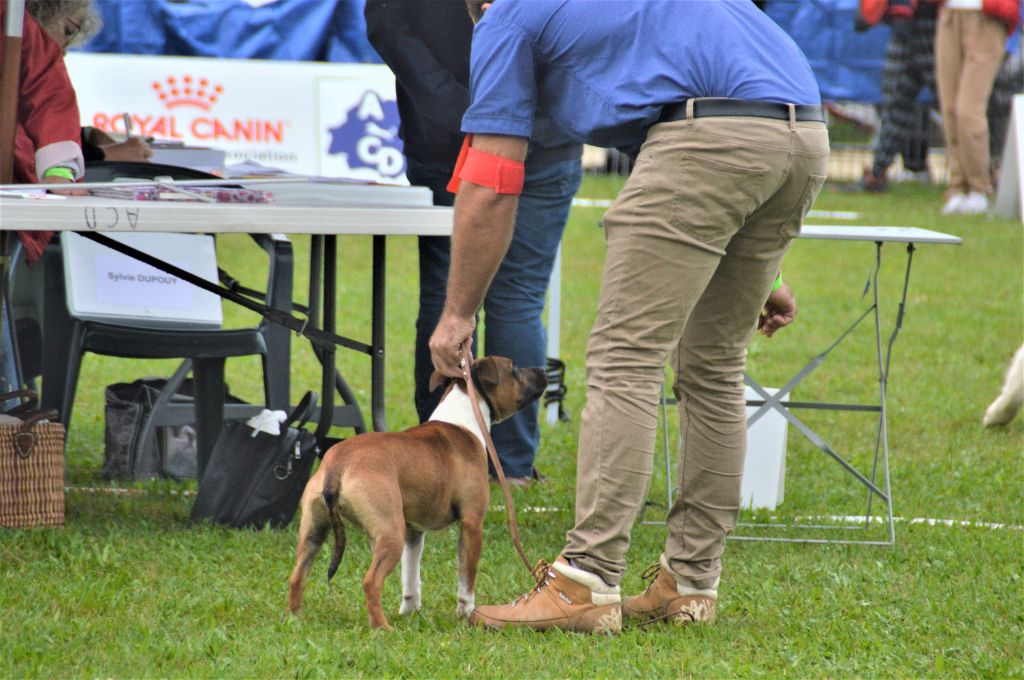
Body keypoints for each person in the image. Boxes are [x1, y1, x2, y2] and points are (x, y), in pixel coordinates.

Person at [429, 0, 825, 634]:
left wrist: (456, 315)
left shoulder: (506, 15)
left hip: (709, 137)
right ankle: (692, 584)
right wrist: (767, 276)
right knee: (716, 366)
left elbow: (494, 177)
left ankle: (584, 583)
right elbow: (736, 104)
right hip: (804, 130)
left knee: (624, 361)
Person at [364, 0, 582, 485]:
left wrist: (451, 104)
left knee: (449, 298)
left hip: (450, 139)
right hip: (538, 135)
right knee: (518, 302)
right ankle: (513, 467)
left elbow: (386, 21)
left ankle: (442, 458)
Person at [24, 0, 152, 164]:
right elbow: (21, 150)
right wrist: (105, 155)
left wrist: (86, 136)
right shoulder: (15, 70)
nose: (64, 51)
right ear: (39, 13)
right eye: (68, 31)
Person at [934, 0, 1018, 215]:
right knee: (950, 109)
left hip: (986, 17)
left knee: (968, 110)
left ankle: (980, 189)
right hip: (951, 15)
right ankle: (957, 188)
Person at [859, 1, 939, 192]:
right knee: (894, 100)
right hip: (905, 19)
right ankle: (877, 174)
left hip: (936, 20)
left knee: (954, 105)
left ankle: (977, 180)